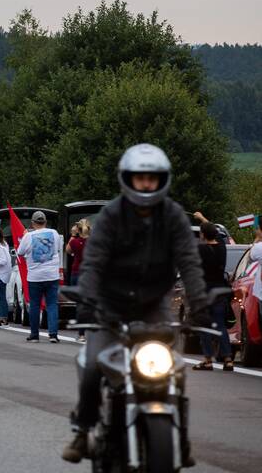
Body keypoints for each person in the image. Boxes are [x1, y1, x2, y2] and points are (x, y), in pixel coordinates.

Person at [62, 144, 210, 464]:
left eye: (151, 178)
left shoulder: (173, 216)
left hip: (152, 306)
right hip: (108, 307)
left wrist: (200, 303)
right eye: (139, 178)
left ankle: (179, 440)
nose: (145, 184)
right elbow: (94, 262)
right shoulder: (111, 216)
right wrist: (86, 300)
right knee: (90, 367)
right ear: (127, 179)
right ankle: (83, 429)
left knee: (175, 370)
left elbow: (189, 261)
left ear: (162, 181)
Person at [16, 209, 63, 343]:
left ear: (32, 223)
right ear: (45, 222)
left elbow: (20, 252)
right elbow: (58, 249)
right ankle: (53, 334)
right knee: (52, 304)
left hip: (35, 276)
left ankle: (35, 334)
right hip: (52, 275)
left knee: (35, 305)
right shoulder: (54, 233)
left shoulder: (28, 236)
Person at [192, 217, 233, 371]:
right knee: (220, 325)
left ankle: (208, 360)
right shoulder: (222, 247)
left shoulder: (199, 249)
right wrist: (203, 218)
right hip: (220, 290)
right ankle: (228, 359)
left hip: (204, 291)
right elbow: (215, 233)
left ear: (202, 234)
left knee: (204, 325)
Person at [65, 220, 89, 286]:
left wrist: (73, 235)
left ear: (78, 230)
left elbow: (68, 250)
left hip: (76, 272)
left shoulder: (74, 242)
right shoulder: (93, 241)